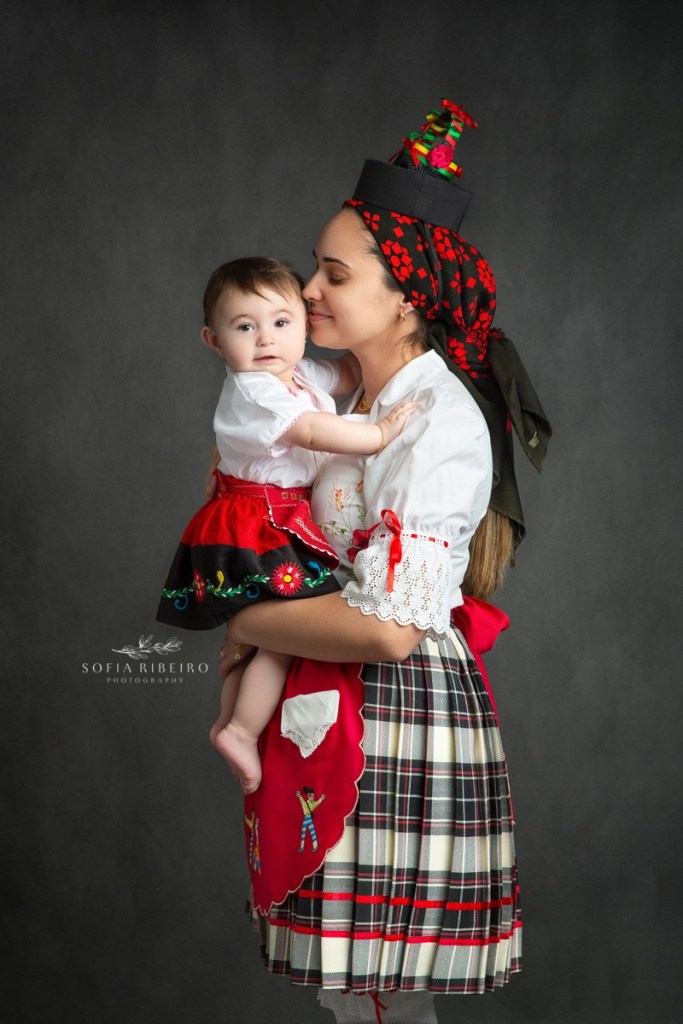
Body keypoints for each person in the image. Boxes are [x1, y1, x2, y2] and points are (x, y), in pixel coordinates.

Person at [214, 101, 551, 1023]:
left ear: (407, 294)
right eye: (312, 269)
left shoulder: (435, 418)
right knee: (354, 993)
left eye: (333, 274)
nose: (307, 292)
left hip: (388, 704)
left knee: (380, 994)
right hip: (330, 689)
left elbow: (391, 630)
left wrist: (244, 620)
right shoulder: (341, 396)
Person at [156, 257, 415, 793]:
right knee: (284, 634)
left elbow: (344, 372)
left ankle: (231, 724)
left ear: (302, 323)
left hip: (265, 516)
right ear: (213, 339)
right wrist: (379, 432)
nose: (266, 338)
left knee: (261, 637)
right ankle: (242, 731)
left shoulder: (292, 374)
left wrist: (382, 337)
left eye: (281, 321)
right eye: (244, 326)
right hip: (257, 521)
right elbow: (315, 431)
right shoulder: (255, 390)